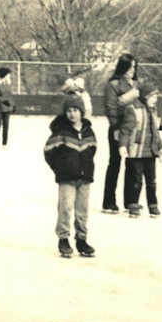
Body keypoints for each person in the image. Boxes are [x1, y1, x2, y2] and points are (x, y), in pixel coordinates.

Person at [44, 91, 98, 258]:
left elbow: (92, 149)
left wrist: (86, 166)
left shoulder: (89, 131)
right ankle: (64, 238)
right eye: (69, 111)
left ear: (81, 112)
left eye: (75, 110)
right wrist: (60, 168)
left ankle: (81, 239)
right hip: (67, 177)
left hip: (85, 177)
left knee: (82, 209)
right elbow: (49, 151)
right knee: (66, 207)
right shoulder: (61, 131)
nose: (72, 114)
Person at [117, 80, 162, 218]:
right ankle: (133, 204)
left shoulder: (152, 111)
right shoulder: (133, 110)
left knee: (151, 180)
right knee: (136, 180)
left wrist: (160, 148)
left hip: (150, 152)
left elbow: (155, 132)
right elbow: (125, 130)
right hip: (136, 152)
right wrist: (122, 145)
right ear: (146, 97)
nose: (156, 100)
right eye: (154, 97)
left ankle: (153, 205)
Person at [101, 53, 140, 214]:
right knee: (115, 164)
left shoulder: (136, 84)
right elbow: (110, 109)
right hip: (118, 128)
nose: (132, 70)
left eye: (134, 67)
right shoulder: (113, 85)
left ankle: (130, 201)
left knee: (133, 165)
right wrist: (116, 128)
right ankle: (109, 201)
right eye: (130, 67)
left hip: (133, 129)